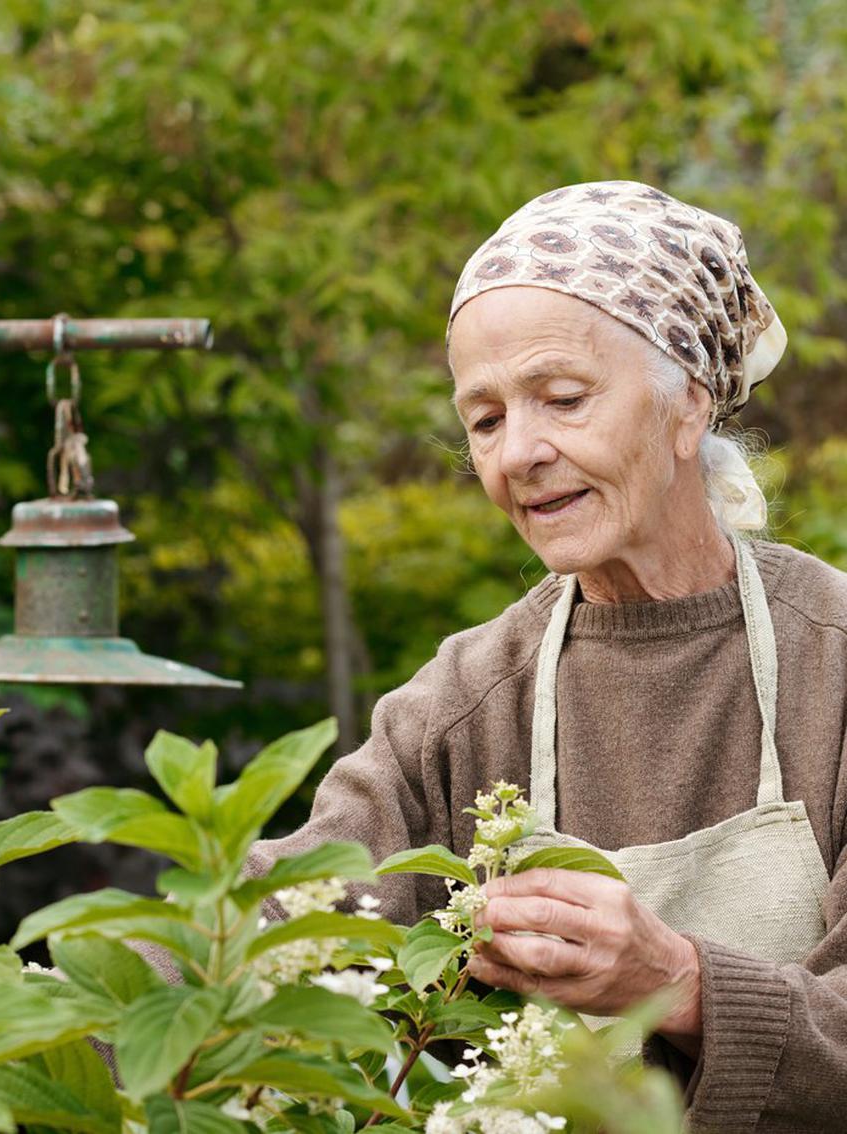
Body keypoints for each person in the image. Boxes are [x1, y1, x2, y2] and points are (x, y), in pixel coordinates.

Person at [247, 181, 847, 1133]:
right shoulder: (461, 704)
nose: (517, 453)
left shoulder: (836, 667)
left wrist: (681, 982)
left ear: (688, 402)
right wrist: (47, 1029)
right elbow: (288, 921)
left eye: (562, 399)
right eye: (484, 420)